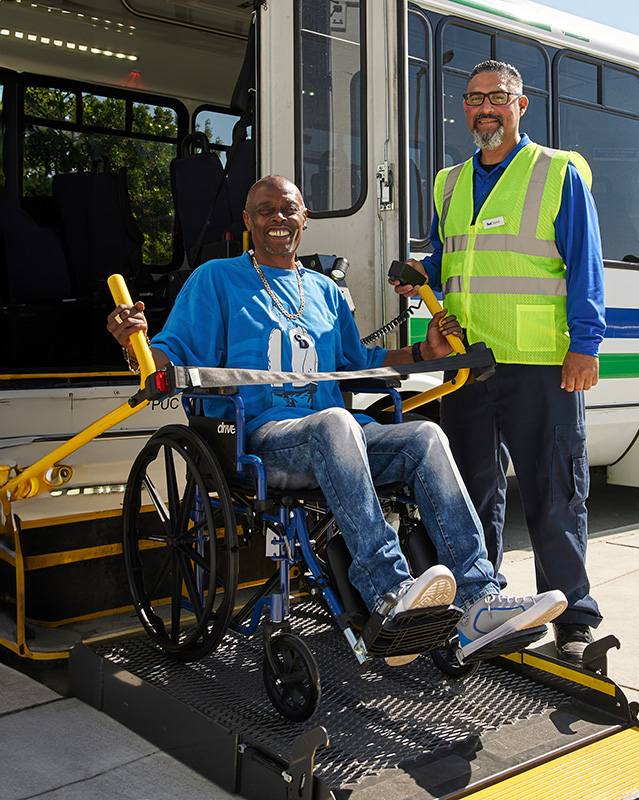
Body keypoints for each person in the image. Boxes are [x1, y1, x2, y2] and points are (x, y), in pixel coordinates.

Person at [108, 174, 567, 664]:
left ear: (305, 219)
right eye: (265, 210)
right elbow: (167, 354)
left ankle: (479, 600)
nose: (278, 219)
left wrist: (421, 351)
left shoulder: (325, 291)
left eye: (288, 209)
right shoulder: (215, 280)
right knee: (337, 422)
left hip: (338, 439)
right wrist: (133, 343)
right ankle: (388, 592)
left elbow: (357, 364)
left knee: (426, 436)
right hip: (261, 441)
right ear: (247, 221)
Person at [392, 60, 605, 664]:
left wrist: (585, 344)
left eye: (498, 98)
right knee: (470, 492)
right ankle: (482, 607)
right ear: (464, 108)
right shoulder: (449, 182)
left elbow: (585, 263)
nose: (485, 108)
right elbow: (449, 254)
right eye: (474, 98)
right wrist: (423, 273)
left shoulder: (557, 172)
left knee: (554, 491)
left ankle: (574, 618)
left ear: (521, 105)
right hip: (465, 365)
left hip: (541, 361)